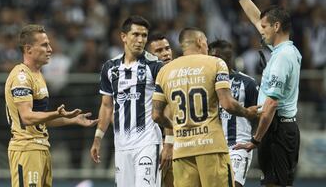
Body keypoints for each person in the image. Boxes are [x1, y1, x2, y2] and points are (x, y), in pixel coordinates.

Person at [152, 27, 259, 187]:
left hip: (182, 149)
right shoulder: (215, 63)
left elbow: (156, 115)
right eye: (207, 43)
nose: (207, 47)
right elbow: (227, 103)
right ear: (200, 42)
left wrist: (176, 127)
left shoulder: (165, 71)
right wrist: (247, 112)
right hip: (211, 147)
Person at [225, 0, 301, 187]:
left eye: (265, 27)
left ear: (276, 27)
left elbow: (270, 106)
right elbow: (256, 18)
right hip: (276, 129)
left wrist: (255, 140)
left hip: (277, 130)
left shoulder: (282, 58)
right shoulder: (284, 51)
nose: (260, 29)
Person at [5, 24, 98, 187]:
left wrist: (72, 120)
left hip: (41, 148)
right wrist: (57, 113)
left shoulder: (38, 75)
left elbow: (40, 119)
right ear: (28, 49)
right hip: (27, 149)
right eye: (44, 45)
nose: (50, 49)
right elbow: (27, 117)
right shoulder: (21, 77)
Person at [90, 16, 169, 187]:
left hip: (148, 143)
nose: (140, 40)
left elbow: (168, 106)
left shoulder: (155, 66)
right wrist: (98, 138)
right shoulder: (110, 68)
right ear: (123, 37)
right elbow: (106, 106)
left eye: (144, 35)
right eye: (136, 34)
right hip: (121, 145)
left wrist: (169, 142)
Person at [209, 40, 259, 187]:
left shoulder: (248, 83)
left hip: (238, 144)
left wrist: (255, 139)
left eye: (217, 57)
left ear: (228, 58)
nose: (213, 61)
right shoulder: (204, 83)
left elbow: (258, 114)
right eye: (211, 57)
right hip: (211, 146)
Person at [146, 33, 174, 187]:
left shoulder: (176, 73)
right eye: (159, 51)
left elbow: (171, 109)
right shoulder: (145, 77)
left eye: (167, 48)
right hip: (151, 142)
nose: (165, 53)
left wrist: (169, 144)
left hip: (174, 141)